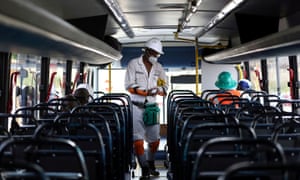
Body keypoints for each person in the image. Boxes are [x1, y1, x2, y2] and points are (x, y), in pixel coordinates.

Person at [124, 37, 168, 179]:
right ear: (147, 51)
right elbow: (129, 86)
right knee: (137, 140)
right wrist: (145, 92)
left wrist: (159, 90)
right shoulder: (133, 64)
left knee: (154, 140)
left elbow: (165, 87)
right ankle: (144, 168)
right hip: (136, 107)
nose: (156, 56)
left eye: (158, 54)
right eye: (154, 53)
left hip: (152, 108)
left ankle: (151, 163)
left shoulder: (159, 68)